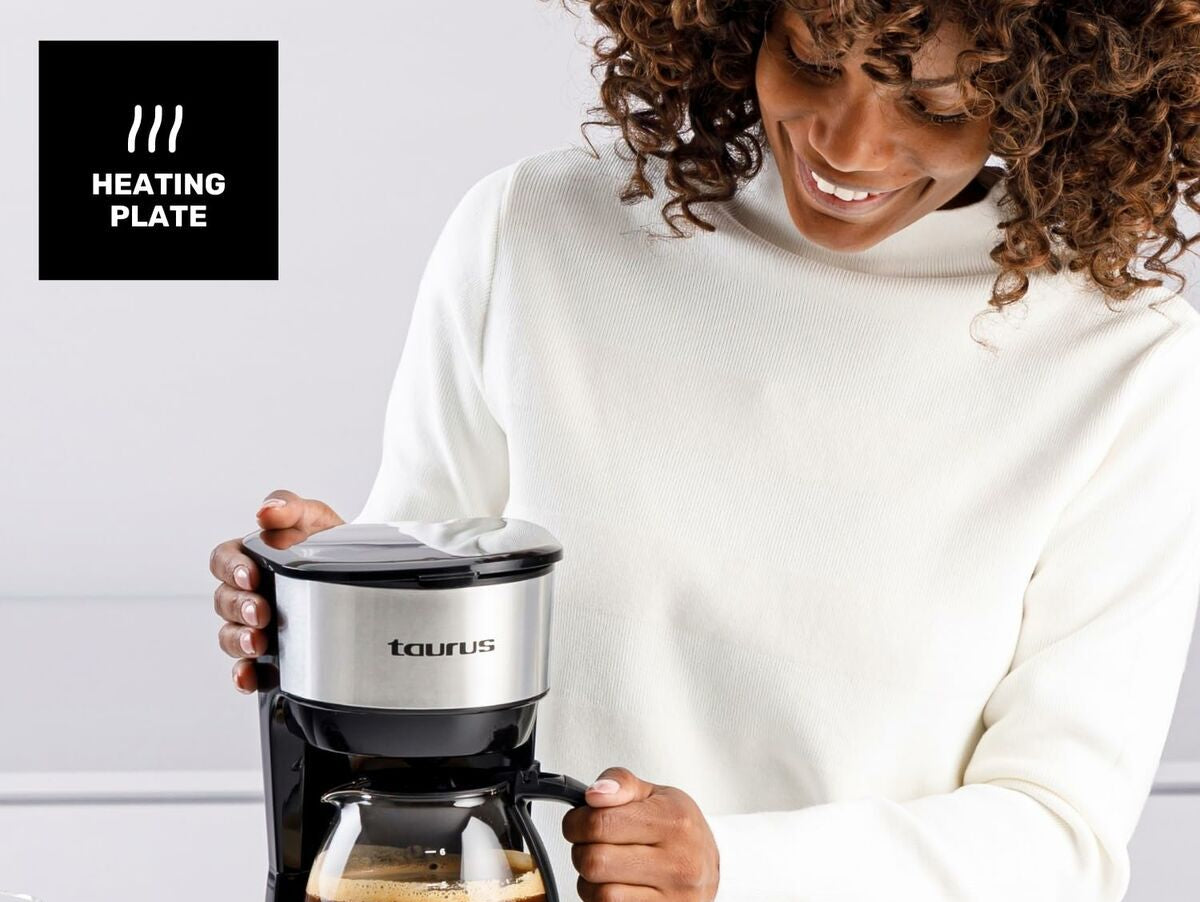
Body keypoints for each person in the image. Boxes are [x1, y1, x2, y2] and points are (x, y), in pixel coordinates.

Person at [209, 2, 1200, 900]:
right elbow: (423, 678)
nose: (848, 143)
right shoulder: (540, 234)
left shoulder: (1120, 362)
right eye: (814, 61)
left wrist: (731, 865)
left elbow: (1062, 833)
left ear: (1045, 90)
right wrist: (337, 601)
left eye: (934, 103)